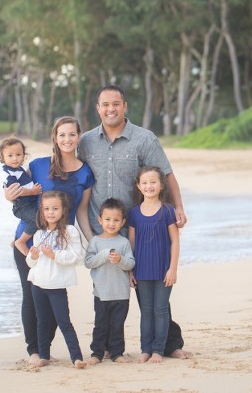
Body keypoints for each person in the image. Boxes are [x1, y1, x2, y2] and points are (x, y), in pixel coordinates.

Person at [77, 84, 191, 359]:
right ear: (98, 108)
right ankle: (104, 348)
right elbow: (74, 175)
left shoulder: (144, 138)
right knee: (104, 293)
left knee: (149, 291)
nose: (110, 109)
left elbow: (167, 174)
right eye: (105, 105)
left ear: (124, 106)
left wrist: (178, 207)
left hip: (141, 230)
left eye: (116, 104)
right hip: (102, 231)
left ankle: (168, 344)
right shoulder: (86, 142)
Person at [4, 117, 95, 366]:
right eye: (62, 135)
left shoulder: (86, 171)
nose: (67, 139)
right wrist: (8, 196)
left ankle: (44, 348)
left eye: (72, 134)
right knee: (31, 296)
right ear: (54, 137)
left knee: (56, 299)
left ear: (79, 137)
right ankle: (35, 351)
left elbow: (83, 211)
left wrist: (92, 242)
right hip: (31, 241)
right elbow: (21, 196)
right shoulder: (37, 165)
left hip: (62, 244)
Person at [26, 190, 87, 369]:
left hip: (57, 285)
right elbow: (30, 263)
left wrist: (54, 254)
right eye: (46, 209)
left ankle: (76, 357)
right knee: (42, 322)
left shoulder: (70, 231)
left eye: (55, 208)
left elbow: (76, 256)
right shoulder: (39, 234)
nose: (50, 212)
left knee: (64, 322)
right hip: (38, 284)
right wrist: (34, 256)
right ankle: (44, 355)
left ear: (63, 210)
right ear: (41, 211)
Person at [128, 166, 181, 363]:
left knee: (160, 310)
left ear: (161, 185)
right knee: (146, 312)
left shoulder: (167, 210)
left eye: (153, 182)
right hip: (141, 271)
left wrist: (173, 269)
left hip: (163, 271)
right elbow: (131, 243)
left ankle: (158, 350)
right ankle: (146, 348)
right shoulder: (133, 213)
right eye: (145, 182)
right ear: (138, 186)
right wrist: (130, 271)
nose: (149, 186)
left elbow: (175, 241)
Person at [84, 198, 136, 364]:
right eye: (107, 219)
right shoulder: (96, 241)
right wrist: (103, 255)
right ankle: (97, 354)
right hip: (101, 293)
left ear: (123, 222)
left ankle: (117, 353)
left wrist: (120, 259)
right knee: (100, 325)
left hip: (121, 293)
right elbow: (88, 262)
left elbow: (131, 263)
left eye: (116, 220)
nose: (111, 223)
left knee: (117, 326)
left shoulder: (124, 242)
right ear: (100, 220)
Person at [0, 137, 42, 254]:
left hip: (28, 204)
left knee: (34, 218)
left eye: (18, 154)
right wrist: (32, 191)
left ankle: (15, 240)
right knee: (37, 219)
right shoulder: (10, 174)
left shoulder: (19, 170)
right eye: (10, 156)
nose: (15, 158)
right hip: (21, 206)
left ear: (24, 155)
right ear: (2, 158)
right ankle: (21, 242)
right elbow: (17, 190)